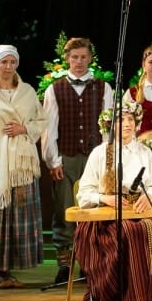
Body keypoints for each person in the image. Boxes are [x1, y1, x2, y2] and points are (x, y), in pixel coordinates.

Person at [74, 101, 152, 301]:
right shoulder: (100, 153)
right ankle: (126, 298)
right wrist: (105, 199)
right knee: (128, 232)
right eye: (121, 120)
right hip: (107, 216)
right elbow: (84, 193)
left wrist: (148, 194)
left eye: (131, 119)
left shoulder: (144, 153)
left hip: (138, 210)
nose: (127, 124)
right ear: (111, 125)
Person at [0, 45, 47, 289]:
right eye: (3, 62)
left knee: (18, 216)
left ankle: (8, 271)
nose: (8, 67)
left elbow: (41, 120)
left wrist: (24, 128)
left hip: (22, 163)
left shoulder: (27, 91)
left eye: (12, 62)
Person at [42, 36, 114, 285]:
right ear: (67, 59)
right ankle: (65, 265)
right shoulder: (56, 88)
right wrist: (53, 161)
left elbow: (109, 126)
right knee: (65, 209)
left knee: (94, 209)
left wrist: (107, 159)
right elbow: (50, 127)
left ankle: (91, 263)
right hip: (68, 156)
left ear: (90, 58)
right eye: (74, 57)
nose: (79, 62)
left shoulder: (104, 87)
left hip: (95, 157)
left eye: (83, 57)